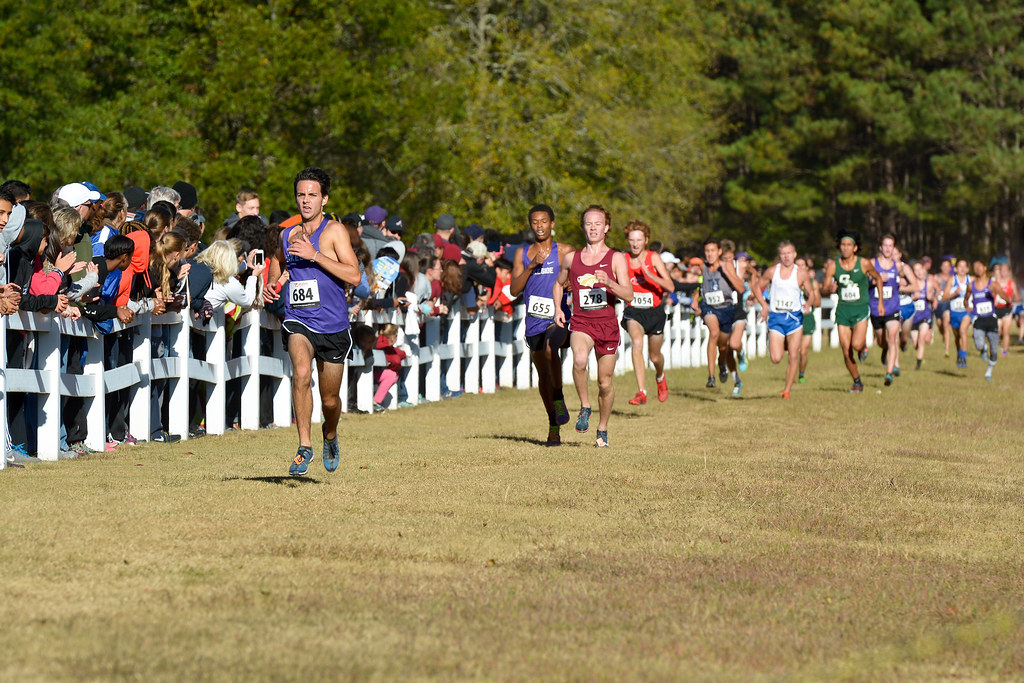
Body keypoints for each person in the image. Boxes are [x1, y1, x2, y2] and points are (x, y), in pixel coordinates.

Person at [265, 167, 361, 476]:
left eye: (312, 195)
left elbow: (354, 276)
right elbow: (278, 258)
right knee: (302, 374)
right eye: (301, 195)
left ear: (324, 199)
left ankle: (330, 435)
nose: (306, 200)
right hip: (299, 319)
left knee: (330, 401)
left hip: (333, 325)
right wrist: (272, 282)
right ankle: (304, 447)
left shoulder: (334, 232)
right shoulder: (287, 233)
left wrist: (314, 255)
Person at [552, 205, 632, 448]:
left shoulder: (616, 258)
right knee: (579, 360)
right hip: (581, 323)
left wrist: (609, 283)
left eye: (598, 224)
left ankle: (603, 427)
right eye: (589, 224)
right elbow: (558, 284)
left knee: (604, 383)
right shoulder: (572, 258)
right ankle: (585, 406)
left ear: (606, 228)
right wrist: (558, 309)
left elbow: (628, 294)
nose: (593, 228)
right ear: (583, 227)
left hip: (607, 326)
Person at [508, 204, 574, 446]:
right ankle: (553, 424)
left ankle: (559, 396)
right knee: (543, 375)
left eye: (544, 221)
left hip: (558, 318)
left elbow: (576, 280)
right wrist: (531, 266)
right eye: (535, 221)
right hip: (534, 320)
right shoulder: (522, 253)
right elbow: (514, 289)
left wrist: (570, 284)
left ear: (552, 224)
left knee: (550, 347)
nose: (539, 225)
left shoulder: (565, 251)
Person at [751, 240, 819, 398]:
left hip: (794, 318)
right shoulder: (772, 271)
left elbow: (811, 292)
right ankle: (784, 343)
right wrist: (764, 305)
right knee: (776, 358)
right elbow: (756, 287)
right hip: (776, 317)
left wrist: (808, 303)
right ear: (780, 256)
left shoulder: (801, 273)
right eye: (783, 254)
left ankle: (786, 390)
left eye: (789, 253)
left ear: (794, 254)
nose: (786, 256)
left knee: (793, 355)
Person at [821, 230, 884, 393]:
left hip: (860, 309)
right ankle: (857, 382)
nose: (845, 248)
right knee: (846, 350)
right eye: (843, 245)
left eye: (849, 245)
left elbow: (878, 278)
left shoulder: (863, 263)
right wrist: (829, 289)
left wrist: (880, 302)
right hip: (843, 311)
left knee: (856, 344)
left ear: (855, 248)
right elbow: (824, 289)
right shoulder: (833, 266)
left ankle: (863, 347)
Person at [620, 220, 673, 405]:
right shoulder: (623, 259)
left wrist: (650, 275)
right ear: (628, 241)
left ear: (646, 240)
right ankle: (641, 391)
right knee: (636, 342)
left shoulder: (653, 258)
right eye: (632, 240)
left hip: (655, 312)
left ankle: (660, 376)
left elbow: (670, 286)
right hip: (633, 311)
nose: (635, 244)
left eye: (639, 240)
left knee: (655, 357)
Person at [693, 237, 745, 396]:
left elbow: (741, 288)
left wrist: (727, 272)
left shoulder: (727, 265)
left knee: (724, 347)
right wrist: (696, 299)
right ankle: (711, 376)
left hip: (726, 309)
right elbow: (702, 286)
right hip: (709, 307)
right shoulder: (703, 267)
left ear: (719, 251)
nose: (710, 254)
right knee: (713, 333)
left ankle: (722, 364)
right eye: (707, 251)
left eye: (713, 251)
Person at [869, 234, 917, 386]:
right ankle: (885, 351)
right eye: (885, 245)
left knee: (892, 338)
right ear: (880, 247)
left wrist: (901, 285)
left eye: (891, 246)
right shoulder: (872, 263)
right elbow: (863, 281)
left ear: (894, 248)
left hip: (893, 308)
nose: (888, 249)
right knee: (881, 341)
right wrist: (875, 280)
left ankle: (889, 373)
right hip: (876, 309)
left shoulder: (899, 267)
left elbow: (915, 285)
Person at [964, 260, 1013, 381]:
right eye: (975, 267)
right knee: (979, 344)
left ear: (985, 268)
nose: (978, 269)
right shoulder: (971, 286)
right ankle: (983, 349)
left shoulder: (993, 284)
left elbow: (1004, 295)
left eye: (980, 267)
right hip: (979, 319)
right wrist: (967, 306)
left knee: (994, 350)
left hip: (991, 319)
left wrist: (1009, 301)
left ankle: (988, 372)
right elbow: (966, 299)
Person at [941, 259, 972, 368]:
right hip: (954, 312)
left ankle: (963, 357)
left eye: (964, 266)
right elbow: (944, 297)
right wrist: (954, 293)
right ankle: (959, 354)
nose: (962, 269)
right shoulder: (952, 280)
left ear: (967, 269)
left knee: (963, 330)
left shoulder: (971, 280)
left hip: (966, 312)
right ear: (955, 269)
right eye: (960, 266)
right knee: (957, 336)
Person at [795, 256, 820, 384]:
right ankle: (791, 373)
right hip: (794, 319)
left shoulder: (812, 283)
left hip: (808, 319)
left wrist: (810, 296)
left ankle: (801, 374)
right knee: (793, 351)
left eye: (802, 265)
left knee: (803, 352)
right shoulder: (790, 281)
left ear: (806, 267)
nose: (800, 268)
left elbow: (818, 303)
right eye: (797, 265)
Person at [908, 260, 936, 370]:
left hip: (925, 316)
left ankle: (918, 365)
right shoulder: (911, 285)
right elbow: (905, 300)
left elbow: (934, 301)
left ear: (924, 270)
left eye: (920, 269)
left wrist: (931, 298)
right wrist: (912, 298)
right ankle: (920, 354)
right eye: (916, 270)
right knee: (916, 344)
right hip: (913, 317)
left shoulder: (928, 284)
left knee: (921, 339)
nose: (919, 272)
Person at [990, 258, 1019, 357]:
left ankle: (1004, 352)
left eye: (1006, 271)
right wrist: (993, 300)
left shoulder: (1012, 283)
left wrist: (1012, 300)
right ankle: (1000, 345)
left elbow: (1018, 297)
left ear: (1009, 272)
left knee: (1006, 331)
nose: (1004, 273)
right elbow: (990, 294)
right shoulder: (995, 283)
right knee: (999, 331)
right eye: (1002, 271)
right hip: (997, 309)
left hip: (1007, 309)